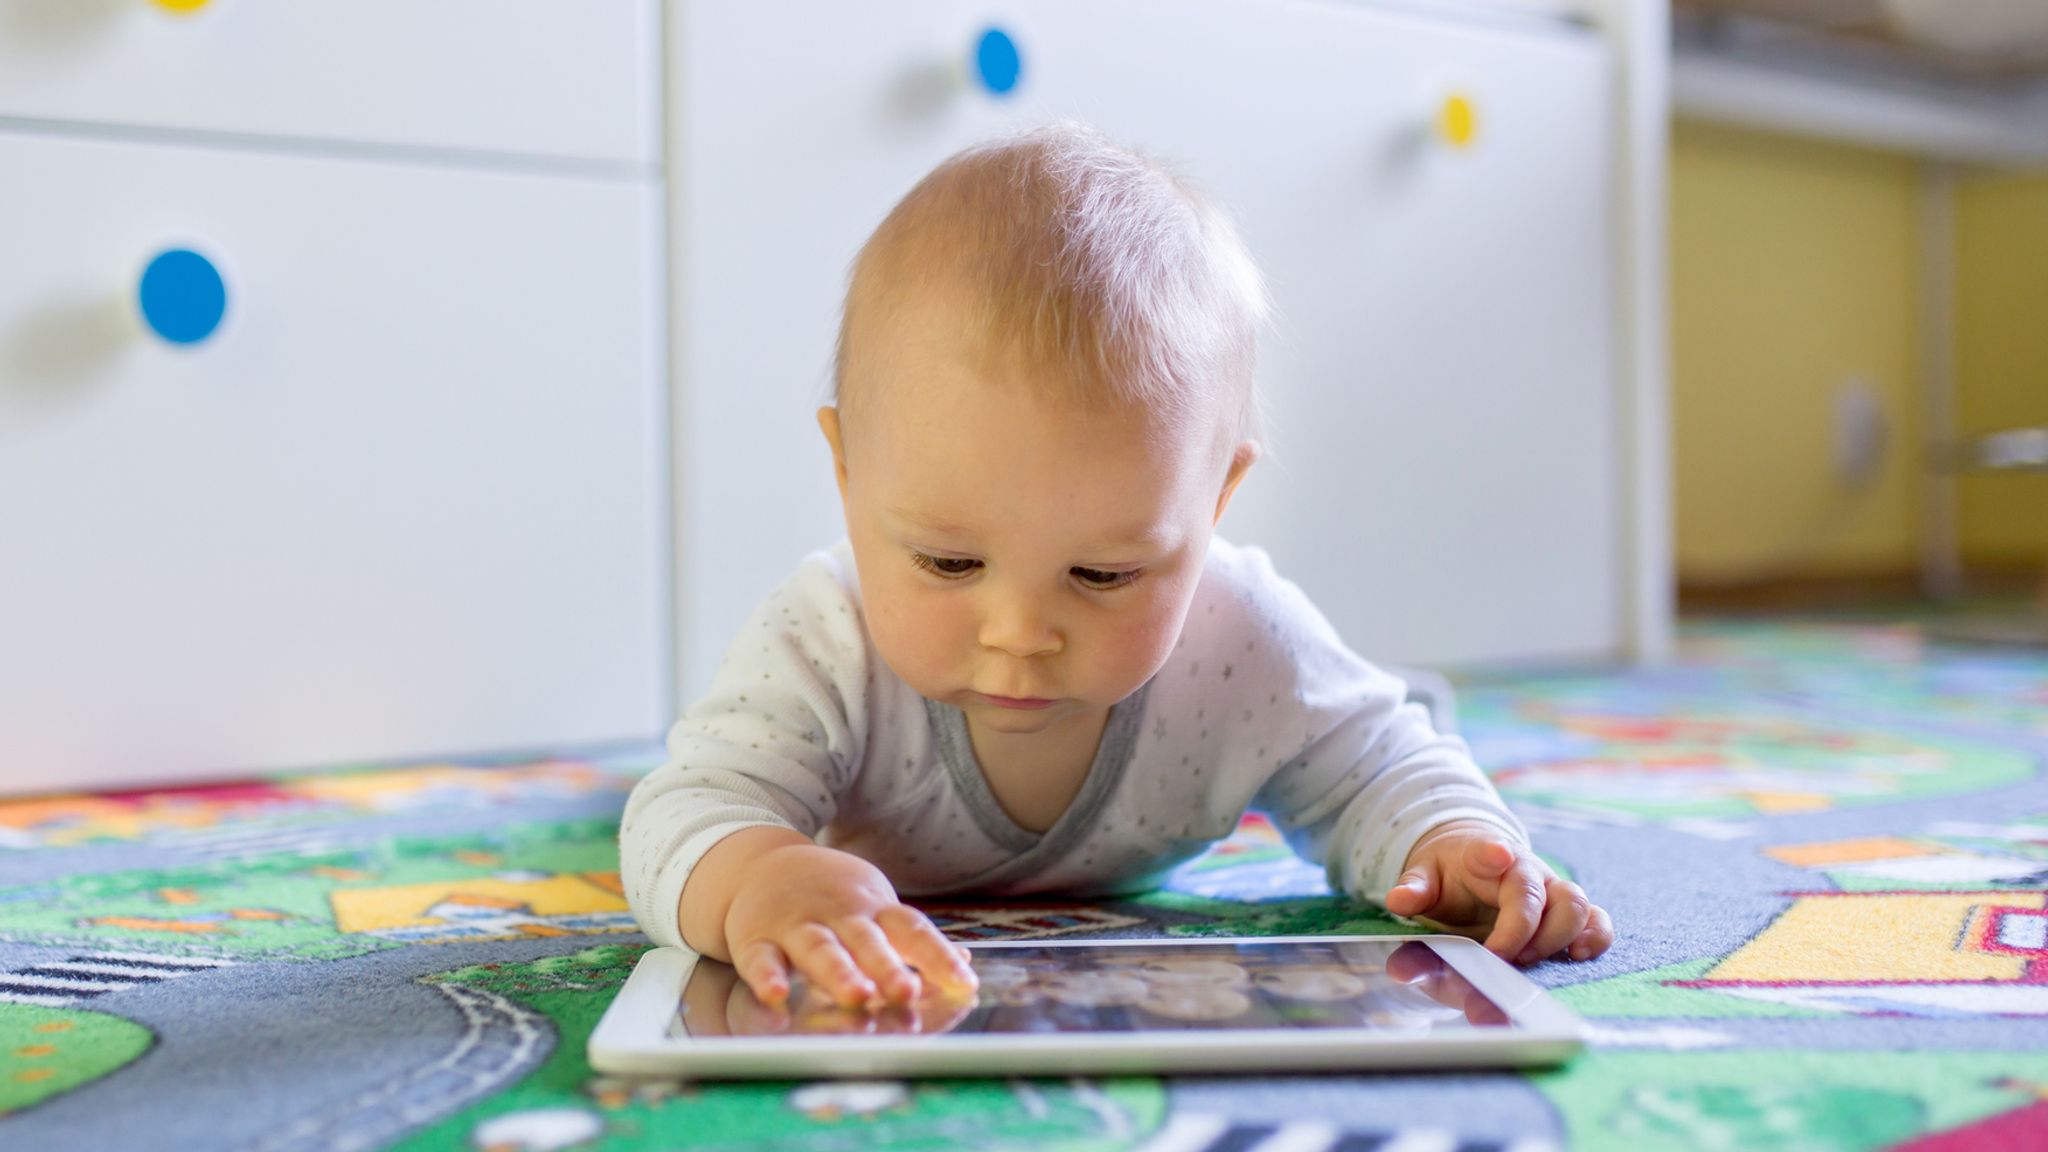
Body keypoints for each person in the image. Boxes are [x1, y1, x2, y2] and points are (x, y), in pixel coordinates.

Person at [620, 121, 1614, 1010]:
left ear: (1213, 503)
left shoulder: (1244, 635)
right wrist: (754, 873)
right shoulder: (822, 637)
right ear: (845, 471)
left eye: (1101, 576)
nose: (1018, 632)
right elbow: (689, 807)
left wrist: (1451, 849)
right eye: (948, 560)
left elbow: (1375, 765)